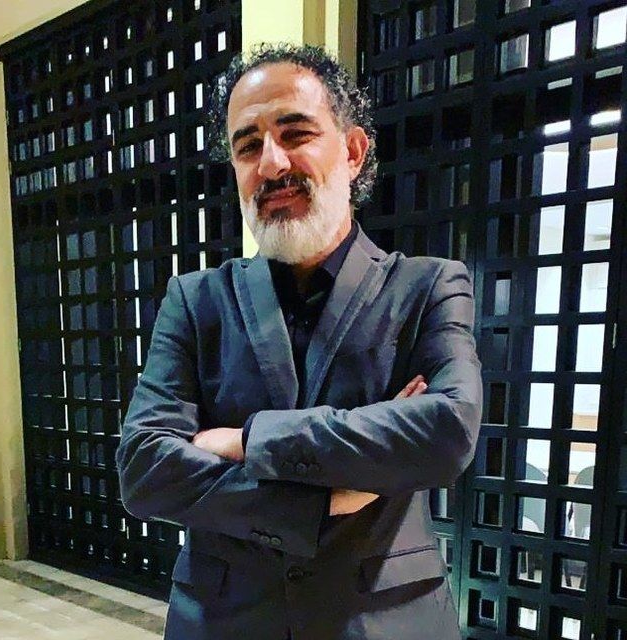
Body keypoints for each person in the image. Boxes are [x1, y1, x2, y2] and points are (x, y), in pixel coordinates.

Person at [116, 43, 482, 640]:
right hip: (225, 621)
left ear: (354, 151)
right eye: (247, 146)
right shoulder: (196, 300)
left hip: (386, 621)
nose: (270, 163)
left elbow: (447, 431)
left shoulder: (427, 286)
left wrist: (246, 440)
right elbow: (144, 467)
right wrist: (319, 502)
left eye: (295, 134)